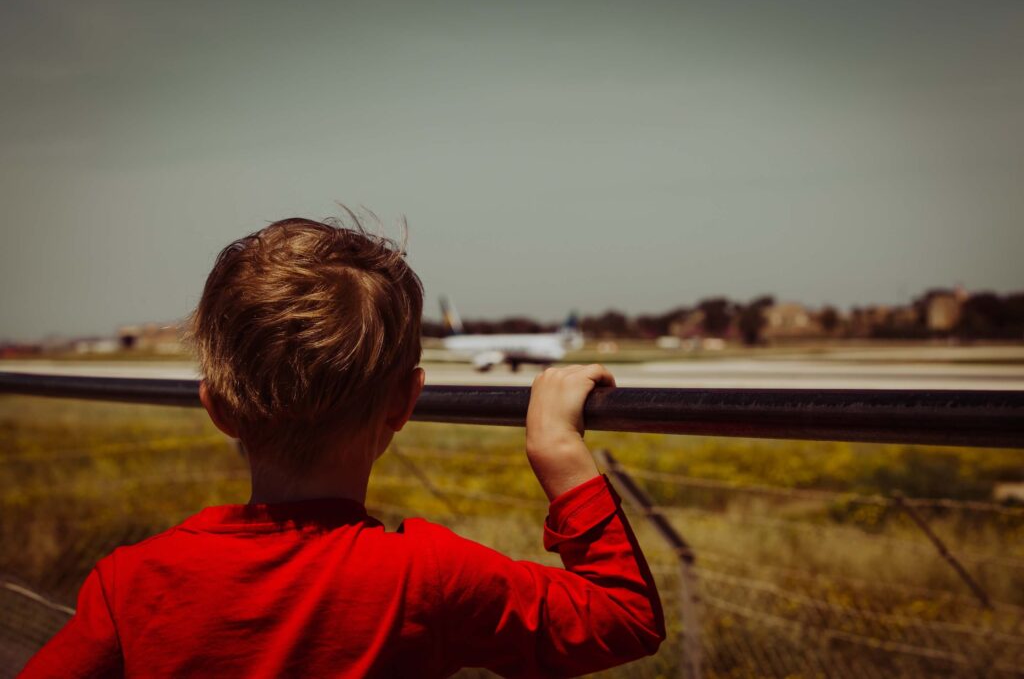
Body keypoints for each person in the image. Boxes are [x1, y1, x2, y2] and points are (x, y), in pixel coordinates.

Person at [21, 215, 664, 678]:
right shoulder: (429, 577)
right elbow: (626, 619)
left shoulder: (132, 582)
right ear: (405, 402)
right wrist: (559, 454)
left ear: (217, 409)